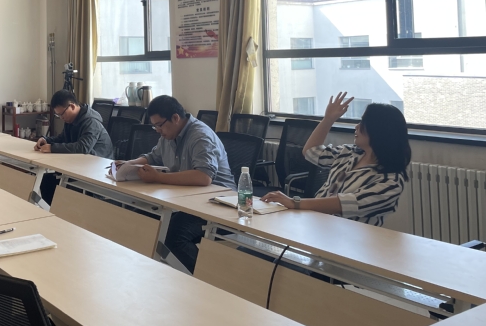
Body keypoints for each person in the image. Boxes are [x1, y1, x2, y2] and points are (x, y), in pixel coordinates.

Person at [115, 95, 235, 274]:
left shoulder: (200, 136)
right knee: (141, 217)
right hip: (188, 199)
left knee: (173, 235)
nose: (158, 131)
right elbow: (153, 157)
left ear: (175, 118)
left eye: (159, 125)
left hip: (218, 204)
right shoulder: (168, 135)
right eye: (154, 126)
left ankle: (210, 279)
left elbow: (204, 177)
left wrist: (158, 178)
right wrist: (129, 164)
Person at [261, 93, 411, 227]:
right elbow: (310, 152)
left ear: (378, 131)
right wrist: (328, 119)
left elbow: (345, 204)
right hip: (318, 227)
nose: (357, 127)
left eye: (363, 123)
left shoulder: (390, 181)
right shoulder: (349, 153)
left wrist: (294, 202)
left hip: (352, 241)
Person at [34, 90, 114, 203]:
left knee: (54, 183)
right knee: (47, 180)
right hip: (80, 164)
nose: (61, 118)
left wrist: (52, 148)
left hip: (98, 169)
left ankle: (61, 210)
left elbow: (83, 147)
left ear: (71, 106)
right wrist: (46, 140)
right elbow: (62, 138)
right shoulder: (71, 120)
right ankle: (56, 210)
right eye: (58, 115)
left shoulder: (91, 122)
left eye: (61, 114)